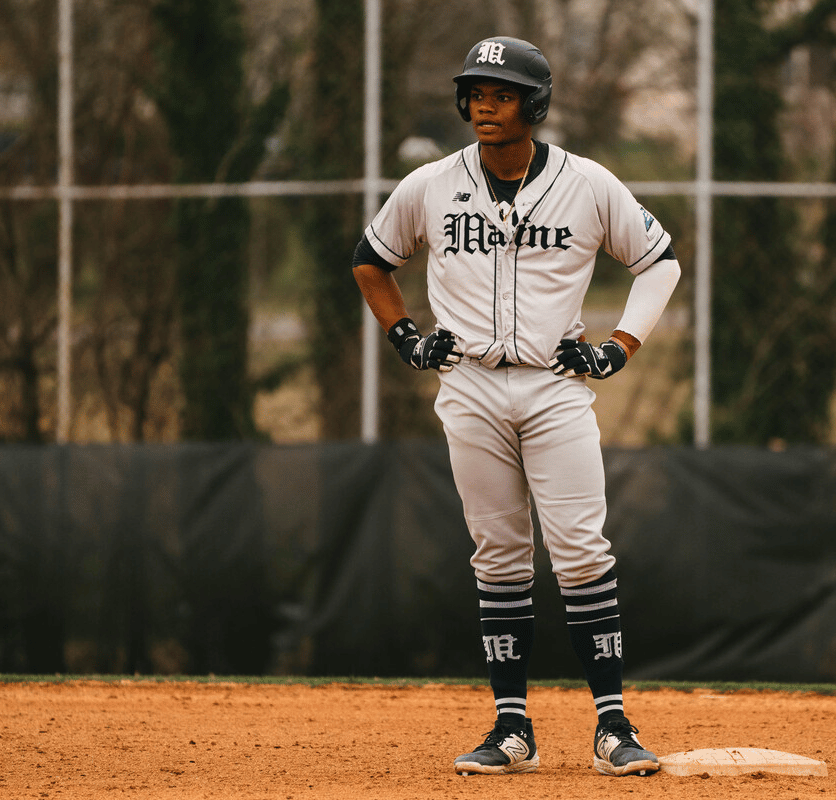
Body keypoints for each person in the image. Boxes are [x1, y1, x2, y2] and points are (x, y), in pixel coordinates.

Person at [351, 35, 681, 777]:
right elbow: (372, 260)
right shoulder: (432, 184)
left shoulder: (588, 183)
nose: (482, 106)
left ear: (534, 105)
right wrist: (405, 336)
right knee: (498, 557)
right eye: (474, 93)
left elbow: (660, 261)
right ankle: (512, 730)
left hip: (555, 388)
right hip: (468, 386)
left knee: (581, 551)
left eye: (500, 94)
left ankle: (612, 727)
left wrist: (620, 346)